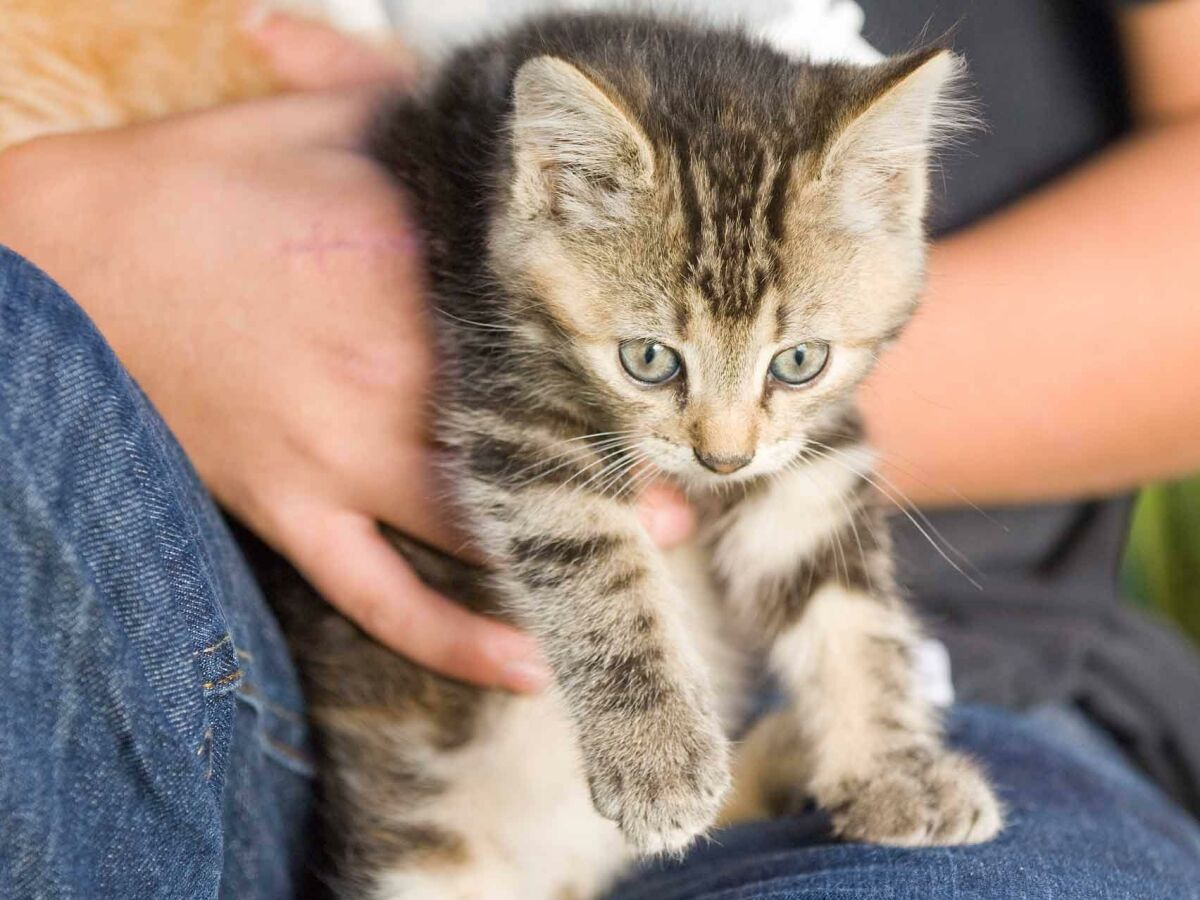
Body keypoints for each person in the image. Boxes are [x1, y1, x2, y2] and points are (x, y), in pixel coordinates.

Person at [1, 3, 1198, 898]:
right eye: (660, 371)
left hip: (975, 685)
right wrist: (65, 231)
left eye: (791, 370)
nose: (726, 446)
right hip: (252, 644)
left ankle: (812, 756)